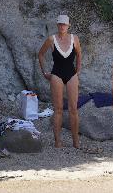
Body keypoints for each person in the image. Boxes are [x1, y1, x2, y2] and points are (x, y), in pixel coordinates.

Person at [38, 15, 82, 148]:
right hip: (56, 74)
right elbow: (40, 54)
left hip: (71, 74)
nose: (62, 26)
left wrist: (78, 71)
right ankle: (57, 141)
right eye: (60, 24)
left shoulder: (75, 38)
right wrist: (44, 72)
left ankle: (76, 141)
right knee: (58, 109)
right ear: (57, 25)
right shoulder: (51, 39)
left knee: (73, 109)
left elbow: (79, 54)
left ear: (68, 25)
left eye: (64, 24)